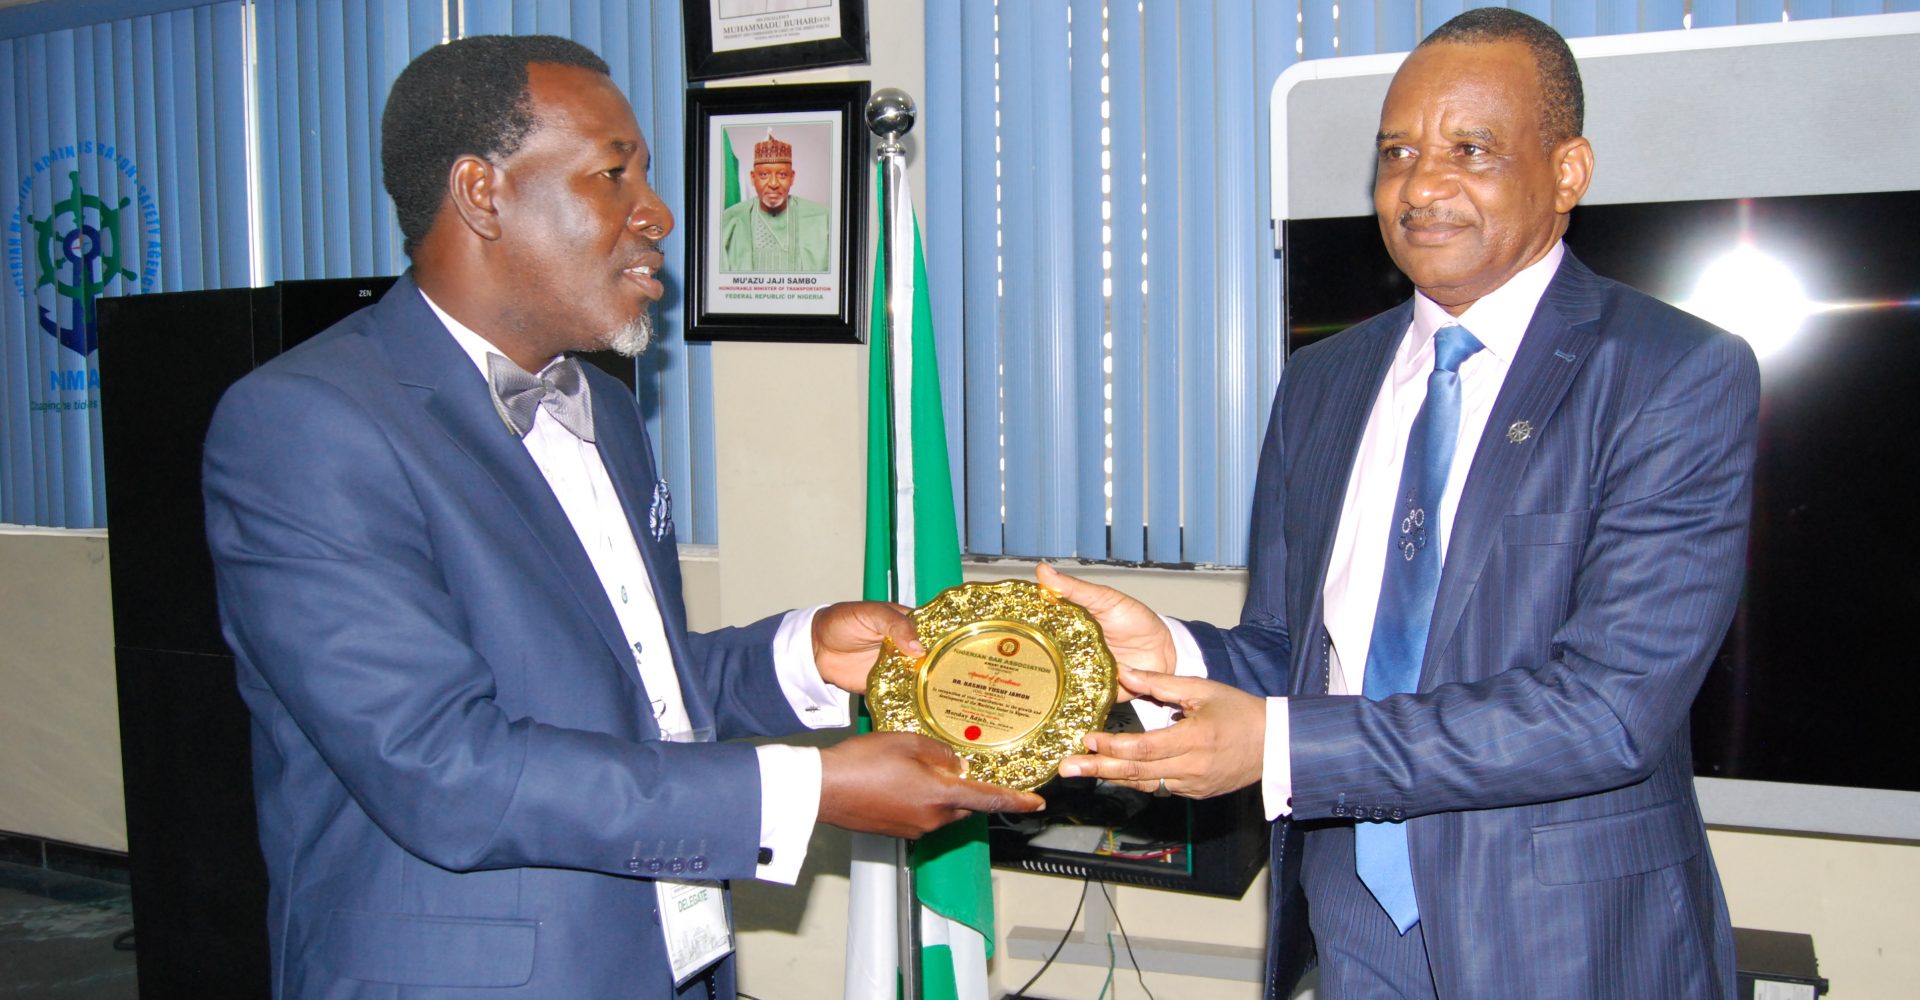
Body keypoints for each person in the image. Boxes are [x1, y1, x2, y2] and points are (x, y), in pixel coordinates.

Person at [202, 35, 1038, 999]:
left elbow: (631, 687)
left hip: (671, 961)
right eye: (613, 174)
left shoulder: (605, 410)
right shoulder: (307, 424)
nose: (660, 213)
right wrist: (810, 789)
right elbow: (443, 768)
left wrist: (804, 656)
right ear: (483, 192)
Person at [1049, 9, 1758, 998]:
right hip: (1351, 924)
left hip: (1567, 939)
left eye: (1470, 149)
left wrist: (1281, 748)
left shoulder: (1671, 375)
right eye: (1398, 152)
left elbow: (1608, 710)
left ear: (1567, 172)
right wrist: (1173, 654)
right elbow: (1297, 649)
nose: (1422, 186)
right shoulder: (1324, 382)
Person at [718, 131, 831, 273]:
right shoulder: (730, 222)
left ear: (792, 177)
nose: (773, 183)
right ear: (753, 178)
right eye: (764, 175)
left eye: (782, 175)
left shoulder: (823, 220)